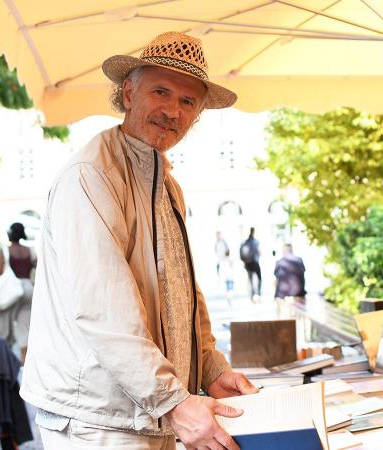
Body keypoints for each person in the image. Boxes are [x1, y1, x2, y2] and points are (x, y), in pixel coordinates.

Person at [19, 31, 257, 450]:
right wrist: (174, 401)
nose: (172, 111)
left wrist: (210, 368)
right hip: (98, 418)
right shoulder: (92, 175)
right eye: (160, 91)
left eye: (187, 102)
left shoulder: (166, 184)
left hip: (150, 410)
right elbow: (102, 309)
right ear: (128, 93)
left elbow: (183, 292)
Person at [0, 222, 36, 363]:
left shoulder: (6, 251)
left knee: (4, 328)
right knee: (25, 327)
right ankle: (25, 361)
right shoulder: (30, 251)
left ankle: (2, 362)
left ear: (10, 233)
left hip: (11, 291)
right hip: (29, 290)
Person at [239, 227, 262, 302]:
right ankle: (258, 293)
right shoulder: (256, 242)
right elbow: (260, 252)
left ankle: (252, 295)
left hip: (247, 263)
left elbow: (242, 254)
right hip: (255, 262)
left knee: (250, 279)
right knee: (259, 278)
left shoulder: (244, 242)